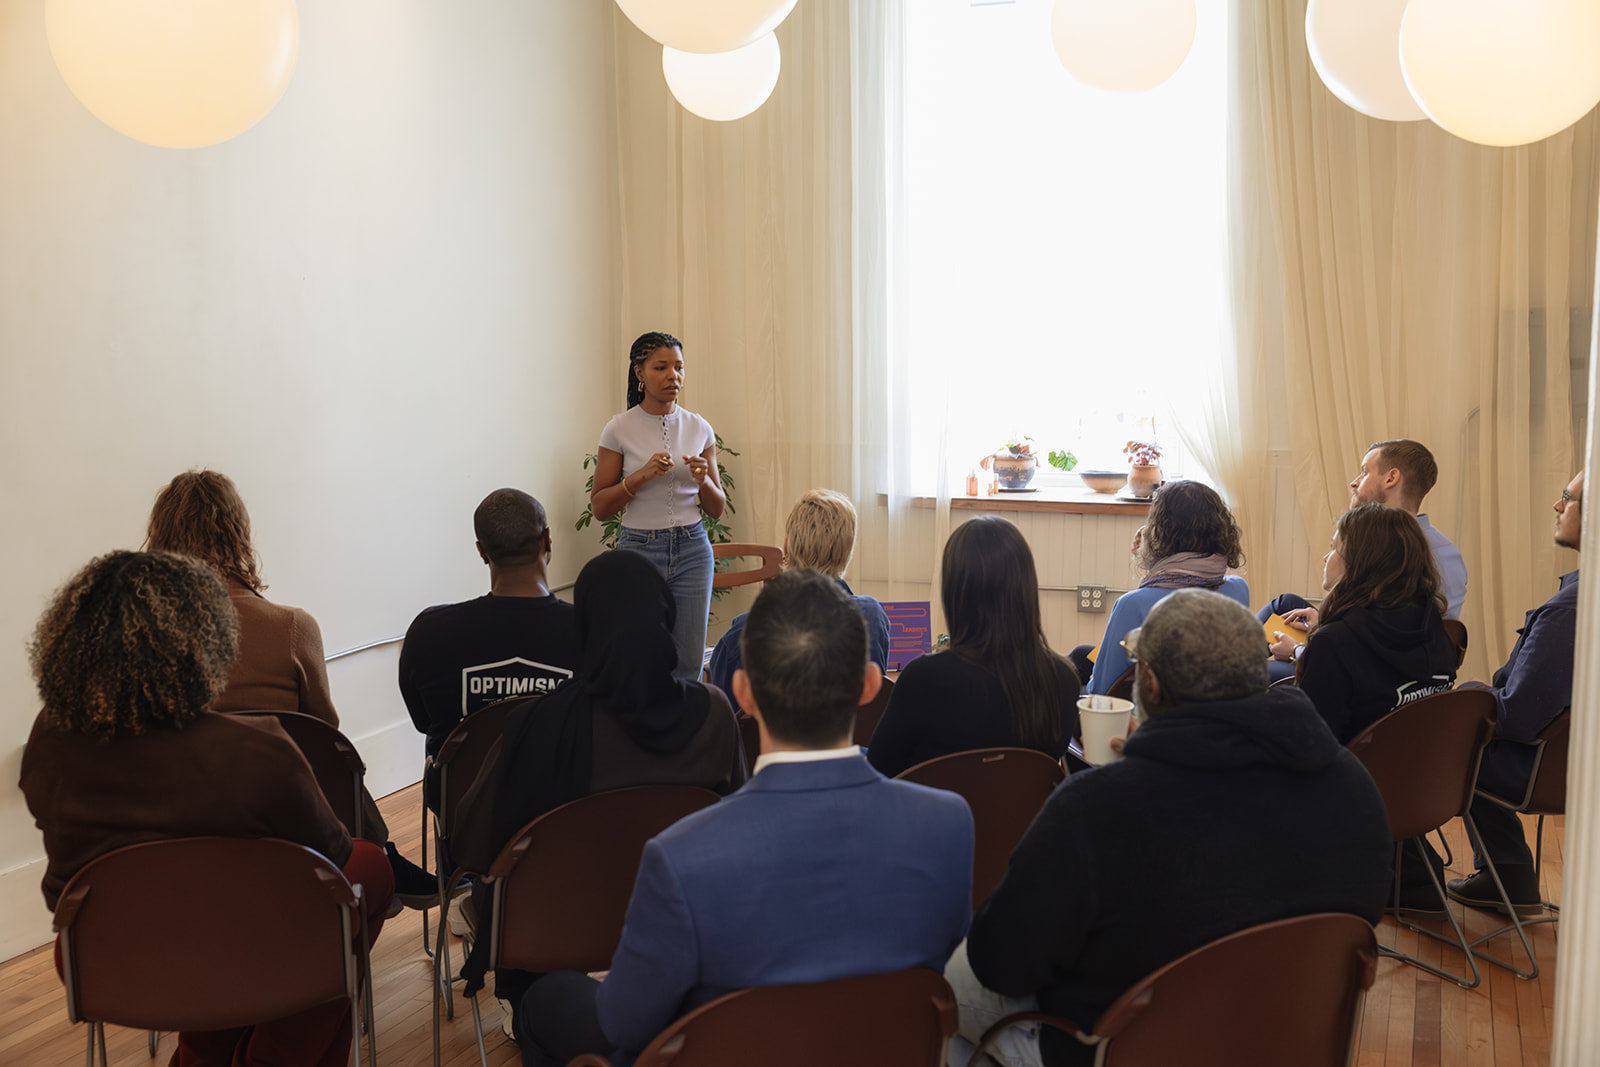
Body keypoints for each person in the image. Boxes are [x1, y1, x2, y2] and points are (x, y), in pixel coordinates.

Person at [514, 568, 974, 1067]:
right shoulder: (948, 824)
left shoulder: (680, 858)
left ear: (744, 692)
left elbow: (624, 1024)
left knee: (547, 1000)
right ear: (869, 685)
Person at [948, 589, 1391, 1067]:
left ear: (1152, 684)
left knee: (950, 988)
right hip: (1285, 1041)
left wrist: (1134, 774)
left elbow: (1000, 963)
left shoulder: (1094, 807)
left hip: (1117, 1048)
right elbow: (1359, 916)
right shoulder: (1352, 784)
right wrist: (1156, 754)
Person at [19, 551, 395, 1067]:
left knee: (231, 934)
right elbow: (332, 859)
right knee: (367, 873)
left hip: (106, 954)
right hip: (244, 942)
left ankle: (204, 1052)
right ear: (205, 642)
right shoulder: (259, 750)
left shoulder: (49, 742)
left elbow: (60, 885)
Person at [457, 549, 748, 1014]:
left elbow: (472, 841)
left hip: (555, 946)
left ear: (585, 626)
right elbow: (737, 829)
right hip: (688, 935)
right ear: (667, 617)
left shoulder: (536, 727)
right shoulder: (715, 714)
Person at [145, 469, 435, 906]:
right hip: (286, 826)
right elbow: (326, 734)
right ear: (239, 535)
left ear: (161, 544)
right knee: (333, 761)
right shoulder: (291, 628)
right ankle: (382, 863)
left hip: (180, 833)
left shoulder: (141, 641)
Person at [1446, 471, 1583, 917]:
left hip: (1539, 770)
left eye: (1567, 497)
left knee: (1434, 742)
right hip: (1570, 767)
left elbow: (1518, 718)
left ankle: (1407, 878)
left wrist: (1469, 693)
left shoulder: (1570, 611)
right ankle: (1509, 875)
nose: (1557, 506)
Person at [867, 516, 1078, 777]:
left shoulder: (924, 679)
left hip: (935, 805)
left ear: (955, 591)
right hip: (1023, 806)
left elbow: (878, 770)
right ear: (1026, 588)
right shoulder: (1064, 681)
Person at [399, 488, 580, 761]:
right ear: (547, 540)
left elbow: (424, 722)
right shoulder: (591, 630)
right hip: (565, 785)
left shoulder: (428, 633)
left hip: (462, 787)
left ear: (482, 552)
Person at [588, 332, 726, 681]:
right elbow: (600, 507)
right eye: (661, 367)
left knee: (688, 664)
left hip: (693, 549)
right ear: (640, 373)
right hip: (639, 550)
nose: (672, 376)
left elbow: (717, 509)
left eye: (679, 367)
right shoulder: (618, 429)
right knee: (638, 658)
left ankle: (685, 717)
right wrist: (640, 477)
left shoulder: (699, 427)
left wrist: (704, 481)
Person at [1279, 503, 1458, 744]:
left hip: (1347, 767)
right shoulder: (1435, 629)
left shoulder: (1332, 643)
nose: (1326, 557)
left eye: (1333, 547)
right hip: (1414, 764)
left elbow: (1309, 747)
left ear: (1359, 563)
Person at [1260, 439, 1467, 641]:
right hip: (1397, 649)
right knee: (1286, 605)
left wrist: (1305, 647)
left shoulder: (1391, 551)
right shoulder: (1448, 551)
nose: (1354, 482)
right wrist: (1321, 624)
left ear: (1391, 478)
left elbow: (1380, 635)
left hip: (1375, 655)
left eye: (1365, 471)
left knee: (1279, 617)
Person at [707, 488, 890, 714]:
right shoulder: (872, 616)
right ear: (847, 552)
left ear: (786, 546)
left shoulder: (742, 633)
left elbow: (726, 722)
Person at [1083, 480, 1248, 695]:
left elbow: (1103, 691)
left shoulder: (1132, 605)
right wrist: (1154, 564)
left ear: (1160, 534)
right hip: (1216, 705)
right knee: (1083, 653)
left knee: (1078, 662)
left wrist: (1150, 557)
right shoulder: (1238, 590)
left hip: (1154, 711)